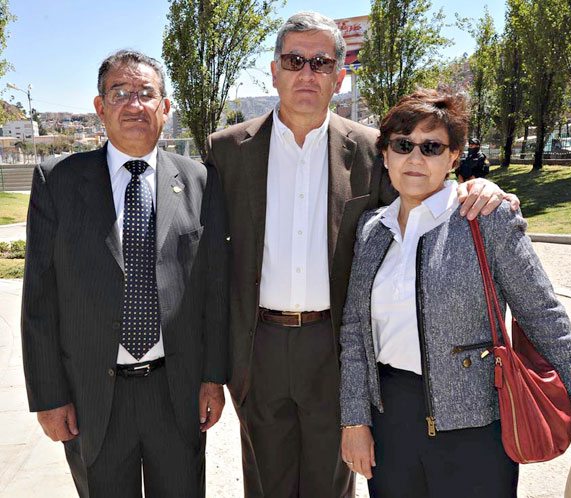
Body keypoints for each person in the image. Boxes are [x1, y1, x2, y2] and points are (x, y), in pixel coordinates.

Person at [206, 12, 517, 498]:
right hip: (257, 347)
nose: (307, 73)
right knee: (266, 485)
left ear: (338, 75)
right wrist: (213, 369)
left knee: (332, 484)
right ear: (274, 71)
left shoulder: (373, 149)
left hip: (335, 346)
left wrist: (476, 189)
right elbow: (209, 265)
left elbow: (420, 198)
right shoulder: (227, 150)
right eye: (295, 60)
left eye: (321, 62)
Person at [339, 88, 571, 498]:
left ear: (453, 157)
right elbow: (355, 333)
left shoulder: (485, 217)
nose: (415, 158)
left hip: (478, 431)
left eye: (431, 147)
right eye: (403, 145)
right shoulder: (372, 230)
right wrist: (355, 420)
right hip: (390, 426)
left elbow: (545, 319)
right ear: (385, 154)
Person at [21, 50, 229, 497]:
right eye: (119, 93)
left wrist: (213, 378)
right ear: (100, 107)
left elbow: (214, 289)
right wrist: (49, 396)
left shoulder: (199, 181)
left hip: (176, 392)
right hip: (93, 397)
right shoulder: (57, 181)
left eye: (146, 93)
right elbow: (39, 299)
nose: (134, 105)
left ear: (165, 107)